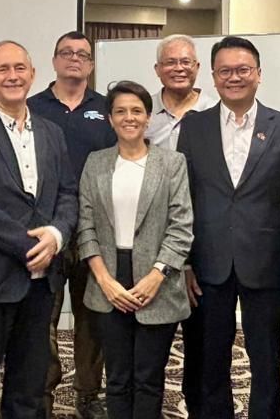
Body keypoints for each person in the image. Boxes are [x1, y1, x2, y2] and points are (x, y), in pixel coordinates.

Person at [0, 40, 79, 419]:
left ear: (33, 74)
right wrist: (30, 245)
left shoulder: (53, 133)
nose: (13, 76)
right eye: (3, 69)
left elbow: (68, 193)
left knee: (29, 387)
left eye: (20, 68)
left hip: (41, 286)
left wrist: (56, 235)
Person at [177, 36, 280, 418]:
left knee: (266, 359)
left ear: (259, 75)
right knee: (208, 356)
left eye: (243, 69)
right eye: (225, 71)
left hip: (266, 260)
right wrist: (183, 261)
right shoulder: (194, 128)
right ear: (213, 77)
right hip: (207, 260)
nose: (235, 77)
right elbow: (184, 198)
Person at [78, 81, 193, 419]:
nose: (129, 117)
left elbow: (182, 226)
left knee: (148, 378)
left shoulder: (172, 163)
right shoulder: (95, 162)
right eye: (120, 111)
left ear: (148, 118)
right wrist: (104, 280)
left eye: (136, 111)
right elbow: (85, 226)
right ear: (111, 120)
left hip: (158, 279)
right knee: (116, 378)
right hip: (108, 279)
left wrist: (157, 276)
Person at [27, 31, 116, 419]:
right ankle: (43, 390)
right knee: (42, 316)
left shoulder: (107, 109)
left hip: (95, 228)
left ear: (91, 64)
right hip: (45, 230)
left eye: (83, 54)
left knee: (91, 317)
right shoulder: (32, 107)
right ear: (54, 60)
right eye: (67, 53)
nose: (75, 59)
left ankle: (87, 393)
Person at [145, 34, 216, 150]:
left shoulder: (215, 110)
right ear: (157, 69)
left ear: (197, 67)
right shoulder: (143, 110)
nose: (178, 68)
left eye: (186, 62)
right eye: (170, 62)